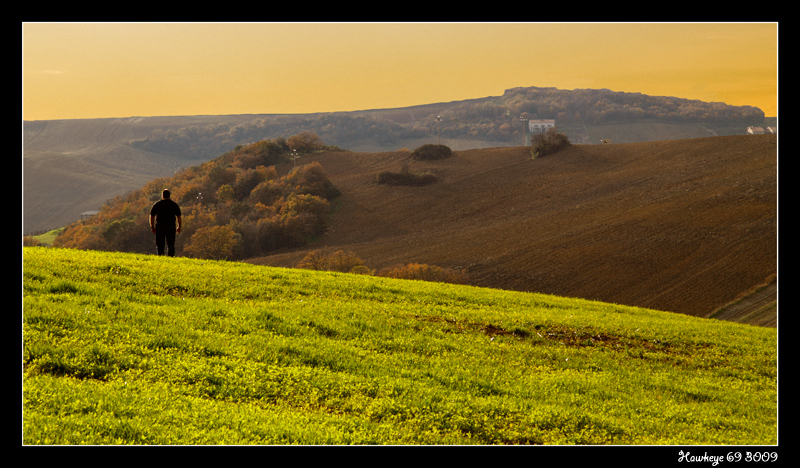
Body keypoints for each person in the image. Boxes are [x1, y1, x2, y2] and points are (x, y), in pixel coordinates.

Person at [149, 189, 182, 256]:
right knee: (171, 244)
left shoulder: (157, 204)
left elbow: (152, 216)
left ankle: (161, 256)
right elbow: (179, 217)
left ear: (162, 195)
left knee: (160, 244)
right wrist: (179, 226)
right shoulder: (174, 205)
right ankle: (171, 257)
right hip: (171, 226)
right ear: (169, 196)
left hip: (160, 226)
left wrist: (152, 226)